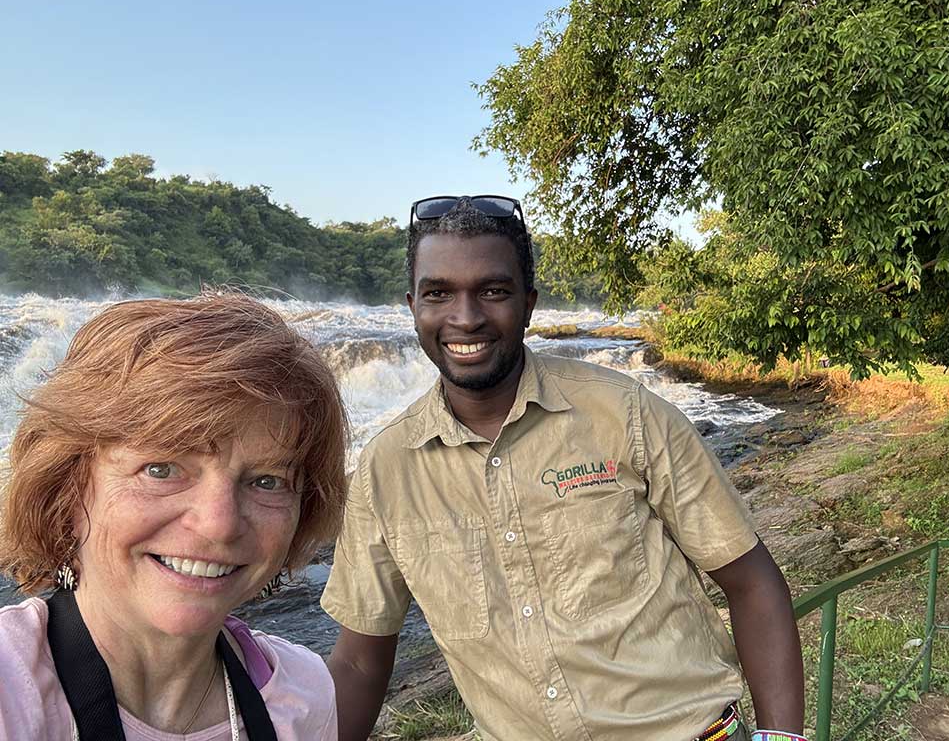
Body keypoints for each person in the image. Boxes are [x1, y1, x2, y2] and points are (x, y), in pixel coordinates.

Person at [321, 196, 806, 741]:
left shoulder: (626, 413)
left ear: (528, 304)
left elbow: (752, 581)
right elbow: (360, 662)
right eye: (439, 293)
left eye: (493, 291)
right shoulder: (387, 468)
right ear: (412, 306)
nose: (466, 317)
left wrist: (781, 737)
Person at [0, 292, 347, 741]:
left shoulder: (303, 697)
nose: (219, 524)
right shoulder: (11, 690)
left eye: (266, 481)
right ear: (65, 488)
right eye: (161, 469)